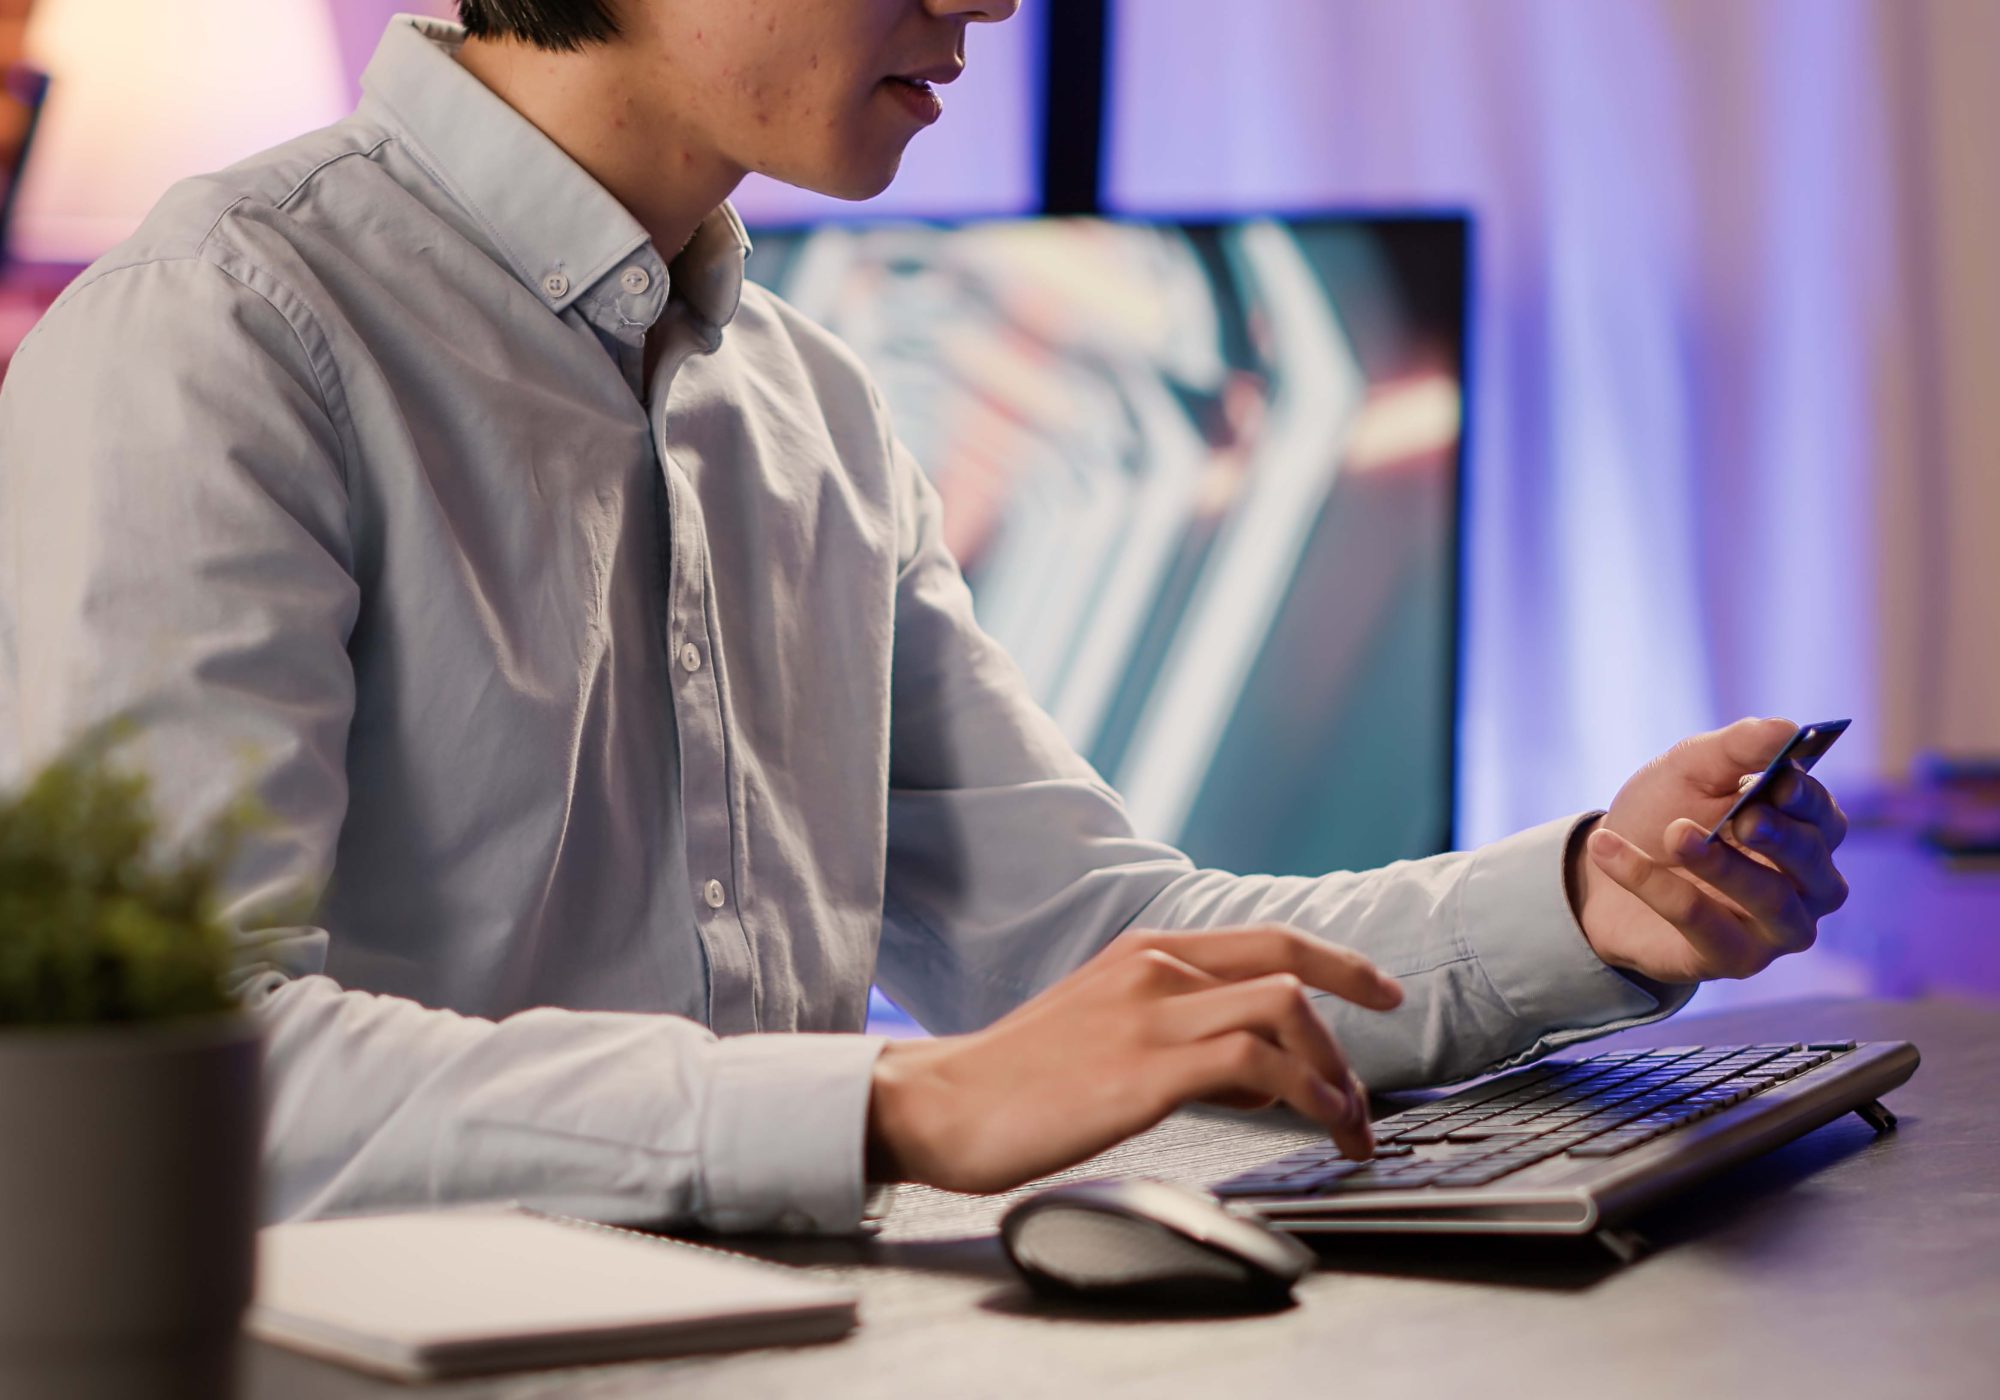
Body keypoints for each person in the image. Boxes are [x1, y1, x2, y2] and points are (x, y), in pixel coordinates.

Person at [0, 1, 1849, 1231]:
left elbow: (1092, 951)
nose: (987, 0)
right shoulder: (222, 335)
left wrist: (1588, 898)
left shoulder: (814, 407)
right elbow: (159, 1076)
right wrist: (888, 1111)